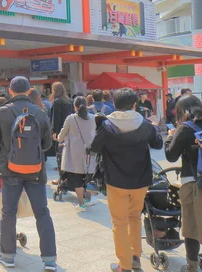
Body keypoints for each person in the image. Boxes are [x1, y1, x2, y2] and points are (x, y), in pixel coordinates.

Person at [0, 77, 57, 271]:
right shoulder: (40, 112)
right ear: (29, 91)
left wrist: (4, 157)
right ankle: (49, 259)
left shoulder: (2, 112)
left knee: (8, 212)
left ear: (10, 91)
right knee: (42, 212)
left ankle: (8, 256)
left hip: (10, 170)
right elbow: (47, 145)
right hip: (35, 170)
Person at [91, 88, 163, 272]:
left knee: (119, 222)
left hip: (115, 181)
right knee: (134, 218)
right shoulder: (145, 125)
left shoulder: (107, 126)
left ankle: (124, 265)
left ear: (114, 104)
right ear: (134, 105)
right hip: (140, 181)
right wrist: (154, 126)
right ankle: (135, 257)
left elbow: (94, 147)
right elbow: (158, 143)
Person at [164, 95, 202, 272]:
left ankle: (192, 266)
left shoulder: (185, 129)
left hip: (193, 184)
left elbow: (170, 156)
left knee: (192, 227)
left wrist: (170, 136)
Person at [56, 96, 97, 211]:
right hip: (89, 153)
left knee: (76, 179)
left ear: (75, 106)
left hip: (74, 154)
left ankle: (81, 204)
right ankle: (88, 198)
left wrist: (59, 138)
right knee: (87, 177)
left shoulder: (71, 118)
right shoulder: (92, 118)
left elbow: (62, 135)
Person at [49, 82, 73, 179]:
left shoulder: (57, 102)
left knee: (59, 155)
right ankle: (67, 176)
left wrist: (54, 131)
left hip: (60, 131)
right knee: (67, 155)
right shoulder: (69, 101)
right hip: (69, 131)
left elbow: (56, 118)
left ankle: (61, 178)